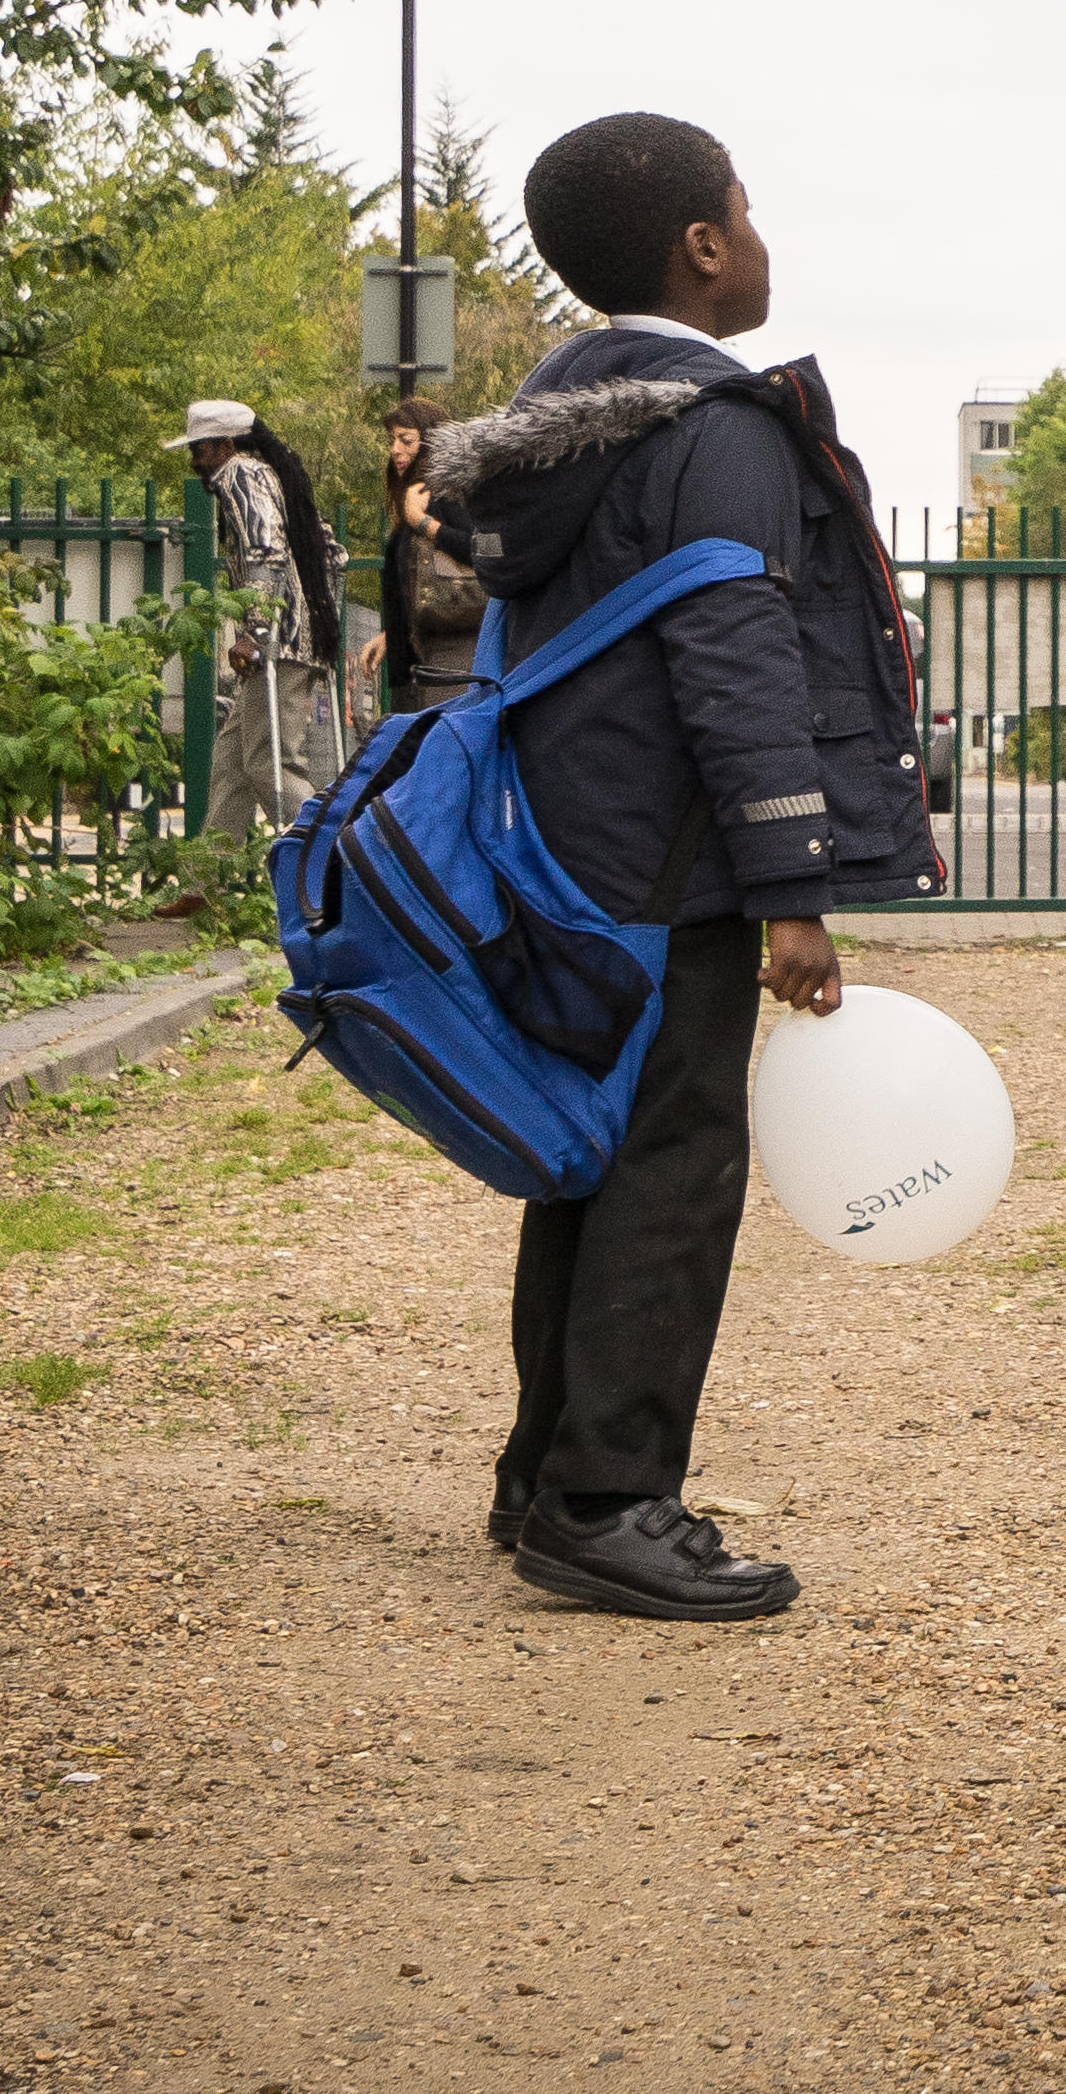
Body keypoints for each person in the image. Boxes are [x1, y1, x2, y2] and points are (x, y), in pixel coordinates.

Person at [411, 112, 942, 1623]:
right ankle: (606, 1500)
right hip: (673, 866)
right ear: (704, 246)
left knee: (586, 1161)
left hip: (565, 855)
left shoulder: (565, 426)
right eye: (747, 211)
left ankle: (543, 1476)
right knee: (671, 1168)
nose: (762, 239)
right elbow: (736, 658)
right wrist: (792, 888)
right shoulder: (713, 429)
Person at [181, 398, 345, 844]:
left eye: (200, 449)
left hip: (279, 644)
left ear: (226, 445)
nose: (194, 460)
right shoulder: (271, 476)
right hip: (291, 637)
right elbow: (332, 552)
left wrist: (253, 632)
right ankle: (206, 882)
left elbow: (264, 552)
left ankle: (335, 854)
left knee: (271, 763)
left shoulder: (239, 475)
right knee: (231, 764)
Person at [364, 394, 486, 714]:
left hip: (454, 649)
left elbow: (483, 549)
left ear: (430, 442)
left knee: (442, 749)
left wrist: (424, 523)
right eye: (392, 440)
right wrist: (390, 634)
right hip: (419, 655)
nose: (395, 450)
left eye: (406, 440)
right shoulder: (415, 494)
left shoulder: (446, 492)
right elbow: (412, 581)